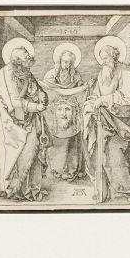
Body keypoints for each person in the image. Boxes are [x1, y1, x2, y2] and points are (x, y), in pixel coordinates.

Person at [83, 40, 130, 204]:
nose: (103, 62)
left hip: (122, 123)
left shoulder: (126, 72)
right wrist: (91, 102)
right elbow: (96, 94)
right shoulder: (103, 73)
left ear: (114, 56)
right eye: (101, 58)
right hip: (104, 121)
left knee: (115, 157)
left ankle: (126, 193)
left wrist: (105, 99)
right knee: (101, 155)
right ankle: (104, 191)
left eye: (106, 58)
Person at [0, 42, 48, 202]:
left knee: (31, 151)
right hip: (11, 124)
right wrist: (36, 106)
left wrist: (42, 96)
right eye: (26, 58)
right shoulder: (5, 73)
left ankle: (30, 189)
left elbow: (37, 90)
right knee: (14, 155)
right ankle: (12, 188)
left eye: (29, 57)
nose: (30, 60)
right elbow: (13, 102)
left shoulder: (27, 72)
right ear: (17, 60)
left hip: (29, 119)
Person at [42, 45, 87, 181]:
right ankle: (54, 169)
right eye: (65, 61)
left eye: (70, 62)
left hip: (71, 111)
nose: (67, 65)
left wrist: (84, 88)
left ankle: (70, 170)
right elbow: (49, 91)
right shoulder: (51, 74)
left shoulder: (76, 75)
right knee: (55, 142)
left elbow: (79, 92)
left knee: (71, 140)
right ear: (59, 60)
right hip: (55, 113)